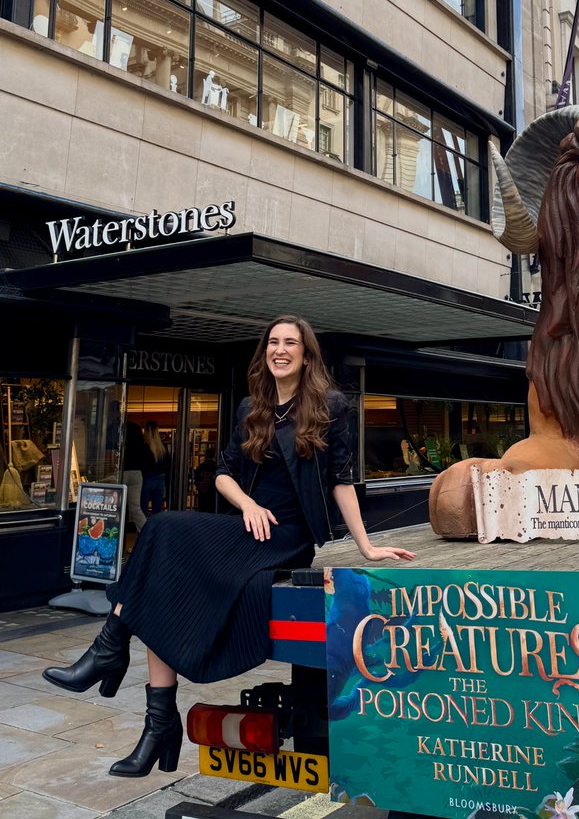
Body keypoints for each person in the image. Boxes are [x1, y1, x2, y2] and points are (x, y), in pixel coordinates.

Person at [42, 315, 414, 778]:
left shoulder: (330, 406)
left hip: (288, 537)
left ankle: (111, 653)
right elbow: (221, 473)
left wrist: (366, 548)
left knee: (162, 531)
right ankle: (156, 720)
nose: (280, 349)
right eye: (273, 342)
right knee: (164, 557)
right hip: (250, 527)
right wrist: (248, 504)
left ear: (305, 353)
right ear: (265, 352)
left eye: (290, 343)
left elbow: (341, 481)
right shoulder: (250, 407)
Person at [121, 420, 148, 532]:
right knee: (135, 508)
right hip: (137, 472)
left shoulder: (117, 428)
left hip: (123, 472)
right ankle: (146, 533)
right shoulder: (138, 433)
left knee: (116, 506)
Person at [140, 421, 170, 517]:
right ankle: (156, 529)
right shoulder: (162, 447)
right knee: (157, 508)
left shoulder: (144, 447)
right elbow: (168, 465)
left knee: (143, 506)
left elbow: (142, 465)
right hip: (160, 478)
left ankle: (144, 529)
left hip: (147, 478)